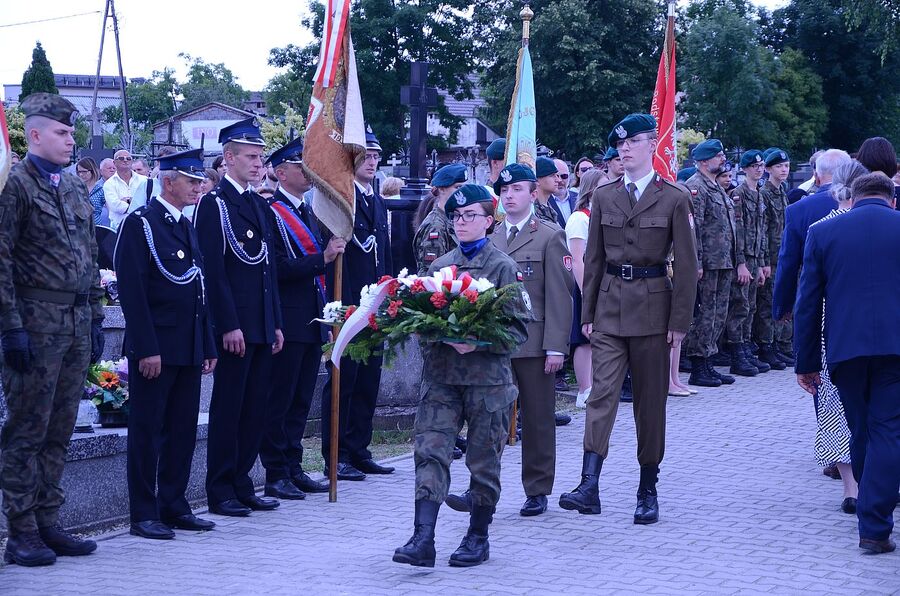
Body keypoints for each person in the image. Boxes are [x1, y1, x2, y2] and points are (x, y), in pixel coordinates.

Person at [557, 114, 697, 525]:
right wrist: (587, 316)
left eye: (633, 142)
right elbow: (595, 258)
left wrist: (679, 322)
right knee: (601, 395)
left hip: (655, 309)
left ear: (651, 144)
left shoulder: (674, 196)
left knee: (650, 404)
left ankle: (647, 488)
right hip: (610, 308)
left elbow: (687, 265)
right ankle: (588, 485)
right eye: (620, 144)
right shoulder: (604, 197)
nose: (625, 149)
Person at [392, 184, 529, 568]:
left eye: (470, 216)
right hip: (443, 379)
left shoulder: (503, 266)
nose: (462, 222)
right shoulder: (441, 267)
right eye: (457, 216)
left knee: (484, 462)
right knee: (430, 452)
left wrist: (480, 343)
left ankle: (478, 536)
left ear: (489, 221)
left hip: (488, 382)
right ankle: (423, 538)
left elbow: (519, 328)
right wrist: (438, 336)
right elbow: (420, 319)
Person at [0, 93, 105, 566]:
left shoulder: (71, 187)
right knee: (27, 431)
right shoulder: (14, 185)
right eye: (62, 133)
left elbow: (92, 253)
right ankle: (20, 532)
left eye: (71, 132)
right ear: (36, 134)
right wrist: (10, 328)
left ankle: (48, 522)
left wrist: (98, 316)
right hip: (35, 325)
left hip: (77, 323)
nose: (71, 139)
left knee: (61, 429)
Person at [114, 148, 218, 540]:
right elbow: (133, 292)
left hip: (188, 344)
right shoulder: (141, 224)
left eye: (199, 181)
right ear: (168, 181)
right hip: (157, 346)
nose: (198, 187)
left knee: (181, 429)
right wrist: (146, 347)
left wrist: (207, 344)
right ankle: (144, 512)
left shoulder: (184, 225)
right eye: (191, 181)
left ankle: (174, 504)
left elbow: (198, 290)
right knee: (148, 430)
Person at [794, 172, 900, 555]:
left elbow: (807, 303)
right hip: (895, 348)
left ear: (851, 198)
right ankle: (874, 527)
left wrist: (806, 363)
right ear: (891, 199)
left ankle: (870, 519)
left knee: (860, 430)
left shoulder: (825, 233)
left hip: (846, 350)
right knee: (887, 430)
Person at [194, 116, 284, 517]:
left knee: (256, 407)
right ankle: (220, 486)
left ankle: (243, 480)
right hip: (236, 327)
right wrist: (228, 324)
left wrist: (275, 322)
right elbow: (214, 272)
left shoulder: (255, 203)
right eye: (250, 156)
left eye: (261, 157)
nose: (258, 164)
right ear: (228, 158)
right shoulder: (215, 205)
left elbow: (268, 270)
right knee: (230, 408)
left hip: (261, 324)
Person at [487, 163, 574, 517]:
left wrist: (556, 346)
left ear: (533, 194)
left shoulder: (550, 236)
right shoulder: (491, 237)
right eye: (504, 191)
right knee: (489, 418)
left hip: (535, 344)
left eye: (517, 189)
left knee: (538, 420)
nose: (509, 196)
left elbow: (560, 294)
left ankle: (537, 489)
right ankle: (483, 487)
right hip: (496, 345)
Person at [259, 137, 342, 499]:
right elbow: (276, 267)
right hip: (288, 320)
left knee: (300, 400)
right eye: (299, 166)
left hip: (309, 319)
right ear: (280, 173)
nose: (308, 172)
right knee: (279, 399)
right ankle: (275, 471)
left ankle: (293, 465)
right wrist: (320, 259)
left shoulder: (307, 209)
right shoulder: (271, 211)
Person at [320, 125, 393, 480]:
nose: (372, 162)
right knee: (343, 380)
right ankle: (336, 455)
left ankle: (359, 448)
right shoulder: (340, 200)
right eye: (365, 155)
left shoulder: (375, 200)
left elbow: (384, 255)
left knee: (368, 380)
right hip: (349, 303)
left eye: (377, 156)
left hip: (376, 305)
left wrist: (391, 297)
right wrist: (342, 307)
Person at [801, 160, 868, 515]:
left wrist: (804, 355)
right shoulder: (881, 223)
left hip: (832, 335)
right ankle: (871, 479)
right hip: (872, 333)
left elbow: (807, 298)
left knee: (834, 408)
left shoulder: (821, 227)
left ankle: (850, 487)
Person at [683, 140, 741, 386]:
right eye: (718, 156)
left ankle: (709, 361)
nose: (723, 159)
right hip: (707, 261)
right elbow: (692, 228)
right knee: (706, 313)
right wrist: (696, 262)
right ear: (704, 161)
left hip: (723, 260)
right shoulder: (696, 187)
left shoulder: (715, 187)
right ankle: (698, 366)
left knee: (718, 313)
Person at [773, 149, 851, 323]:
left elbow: (788, 262)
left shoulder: (798, 210)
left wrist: (783, 305)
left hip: (813, 295)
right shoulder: (860, 202)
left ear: (816, 175)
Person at [725, 150, 772, 375]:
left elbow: (761, 231)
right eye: (754, 166)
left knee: (751, 306)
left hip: (756, 257)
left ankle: (746, 348)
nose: (759, 169)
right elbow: (738, 231)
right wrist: (740, 263)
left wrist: (763, 263)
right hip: (743, 258)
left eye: (761, 165)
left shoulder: (760, 193)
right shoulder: (739, 193)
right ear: (744, 169)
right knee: (740, 306)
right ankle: (737, 353)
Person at [566, 169, 606, 407]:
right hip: (584, 285)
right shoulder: (579, 218)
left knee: (596, 337)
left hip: (601, 283)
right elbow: (577, 258)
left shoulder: (599, 215)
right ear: (591, 190)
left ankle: (595, 384)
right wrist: (585, 290)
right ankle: (584, 389)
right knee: (584, 339)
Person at [755, 149, 793, 366]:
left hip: (782, 254)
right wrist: (764, 260)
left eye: (786, 166)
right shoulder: (765, 194)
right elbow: (763, 229)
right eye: (779, 166)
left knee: (781, 299)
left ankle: (779, 344)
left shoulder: (782, 192)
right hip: (770, 256)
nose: (784, 170)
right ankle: (766, 346)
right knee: (768, 303)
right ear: (768, 169)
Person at [413, 163, 466, 275]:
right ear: (442, 189)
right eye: (457, 187)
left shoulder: (451, 218)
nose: (462, 192)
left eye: (464, 187)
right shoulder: (435, 226)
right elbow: (432, 272)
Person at [103, 149, 147, 230]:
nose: (125, 160)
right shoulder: (109, 184)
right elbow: (116, 206)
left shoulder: (144, 180)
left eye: (128, 158)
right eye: (121, 158)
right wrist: (137, 203)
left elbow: (148, 203)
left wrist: (127, 201)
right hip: (118, 227)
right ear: (114, 162)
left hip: (142, 225)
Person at [533, 157, 565, 227]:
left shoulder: (550, 208)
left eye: (557, 175)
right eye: (552, 175)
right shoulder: (530, 211)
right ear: (537, 180)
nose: (558, 180)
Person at [75, 157, 103, 223]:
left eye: (84, 172)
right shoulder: (75, 188)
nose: (81, 174)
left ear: (92, 171)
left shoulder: (101, 190)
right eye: (79, 172)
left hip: (96, 226)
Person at [552, 158, 577, 222]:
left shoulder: (579, 198)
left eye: (564, 176)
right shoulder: (542, 201)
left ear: (569, 176)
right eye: (556, 176)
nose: (559, 180)